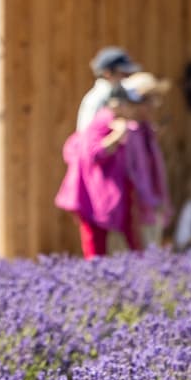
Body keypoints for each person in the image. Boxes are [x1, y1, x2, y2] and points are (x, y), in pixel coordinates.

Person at [56, 85, 144, 258]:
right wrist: (116, 136)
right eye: (130, 105)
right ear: (117, 104)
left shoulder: (119, 123)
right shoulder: (103, 122)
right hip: (92, 196)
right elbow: (93, 153)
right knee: (96, 245)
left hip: (104, 195)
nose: (133, 110)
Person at [122, 71, 172, 248]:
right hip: (139, 209)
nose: (154, 107)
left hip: (154, 207)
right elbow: (133, 173)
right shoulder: (129, 133)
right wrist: (150, 200)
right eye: (150, 101)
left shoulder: (146, 131)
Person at [76, 47, 141, 133]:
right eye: (122, 73)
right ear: (107, 73)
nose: (126, 77)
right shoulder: (96, 99)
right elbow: (86, 134)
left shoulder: (122, 92)